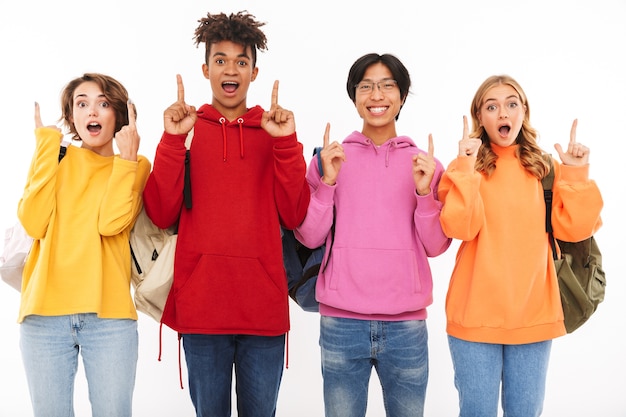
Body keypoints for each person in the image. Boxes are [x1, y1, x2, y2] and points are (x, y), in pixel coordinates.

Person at [141, 11, 310, 417]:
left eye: (240, 61)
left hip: (263, 310)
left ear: (254, 72)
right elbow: (161, 213)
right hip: (202, 308)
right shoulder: (187, 129)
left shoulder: (274, 133)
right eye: (220, 60)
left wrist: (286, 145)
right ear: (205, 69)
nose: (230, 69)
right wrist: (171, 140)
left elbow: (295, 215)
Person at [295, 53, 452, 417]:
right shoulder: (330, 159)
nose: (376, 95)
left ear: (402, 96)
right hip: (341, 322)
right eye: (366, 86)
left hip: (406, 325)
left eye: (387, 85)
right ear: (354, 97)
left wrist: (425, 193)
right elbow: (308, 237)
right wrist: (327, 183)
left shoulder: (424, 163)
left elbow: (435, 245)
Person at [437, 74, 603, 417]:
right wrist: (467, 167)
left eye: (511, 104)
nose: (503, 113)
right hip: (474, 314)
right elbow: (459, 227)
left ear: (523, 113)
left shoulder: (544, 168)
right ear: (479, 117)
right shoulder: (463, 168)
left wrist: (574, 174)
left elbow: (575, 231)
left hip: (533, 314)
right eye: (492, 106)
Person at [17, 73, 151, 417]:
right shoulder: (56, 157)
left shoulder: (134, 165)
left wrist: (127, 159)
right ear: (72, 116)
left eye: (103, 103)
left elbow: (110, 223)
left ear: (118, 115)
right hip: (44, 315)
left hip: (109, 317)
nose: (92, 111)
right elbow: (33, 221)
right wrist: (47, 144)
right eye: (82, 103)